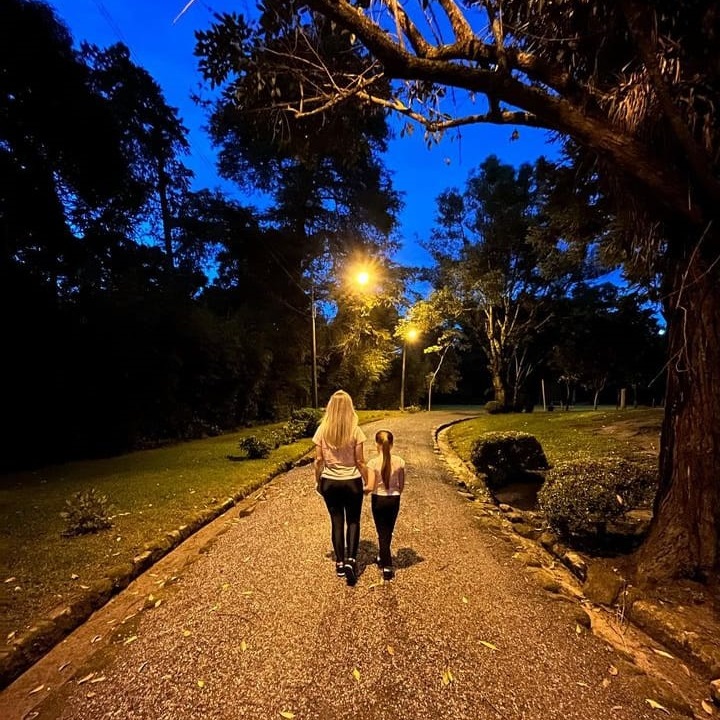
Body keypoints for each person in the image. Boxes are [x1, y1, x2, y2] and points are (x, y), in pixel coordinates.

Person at [312, 390, 367, 586]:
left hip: (330, 481)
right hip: (352, 482)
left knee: (336, 521)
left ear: (330, 407)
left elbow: (319, 460)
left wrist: (318, 481)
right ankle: (351, 559)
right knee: (353, 521)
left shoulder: (322, 430)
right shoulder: (355, 431)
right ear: (349, 407)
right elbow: (360, 461)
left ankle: (340, 562)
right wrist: (368, 480)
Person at [365, 429, 405, 581]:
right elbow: (401, 486)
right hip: (394, 499)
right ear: (392, 444)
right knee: (388, 531)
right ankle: (382, 556)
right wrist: (394, 492)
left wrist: (359, 491)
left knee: (382, 532)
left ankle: (387, 564)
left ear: (376, 444)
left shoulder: (373, 463)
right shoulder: (400, 462)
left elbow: (370, 487)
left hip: (379, 499)